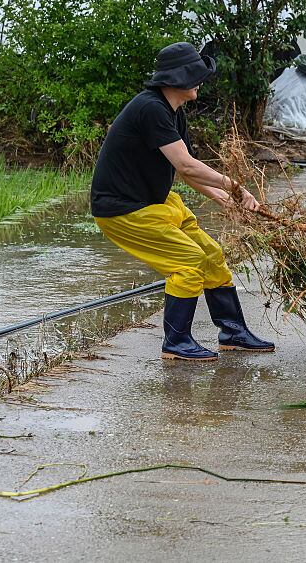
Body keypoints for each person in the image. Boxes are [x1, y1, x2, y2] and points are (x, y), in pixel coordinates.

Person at [90, 42, 274, 362]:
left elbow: (185, 168)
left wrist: (220, 197)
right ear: (179, 79)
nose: (200, 82)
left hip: (157, 203)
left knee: (211, 255)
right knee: (188, 261)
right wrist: (235, 187)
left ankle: (232, 331)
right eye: (196, 76)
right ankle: (176, 342)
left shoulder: (173, 112)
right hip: (124, 210)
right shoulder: (149, 108)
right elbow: (188, 166)